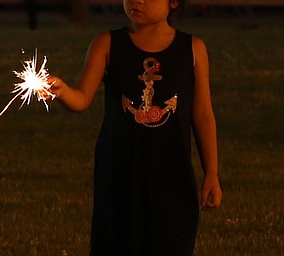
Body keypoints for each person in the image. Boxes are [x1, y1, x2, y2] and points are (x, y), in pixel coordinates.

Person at [47, 0, 222, 255]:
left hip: (172, 178)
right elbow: (82, 99)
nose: (136, 0)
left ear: (173, 2)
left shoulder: (193, 50)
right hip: (119, 175)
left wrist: (212, 173)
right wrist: (61, 91)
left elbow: (203, 114)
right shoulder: (106, 44)